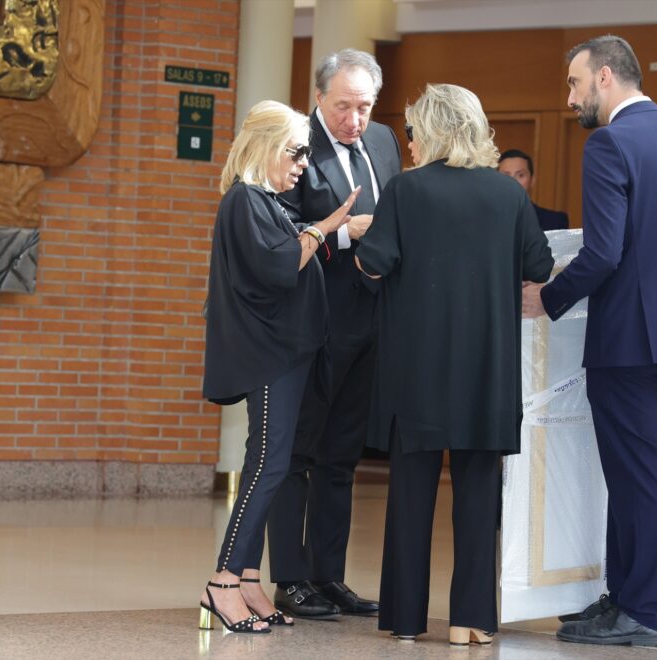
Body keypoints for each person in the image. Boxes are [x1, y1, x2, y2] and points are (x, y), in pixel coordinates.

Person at [521, 36, 657, 647]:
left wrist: (549, 300)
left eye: (574, 83)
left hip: (626, 337)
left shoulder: (609, 142)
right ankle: (623, 598)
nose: (571, 98)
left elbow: (603, 253)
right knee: (637, 469)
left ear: (607, 78)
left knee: (638, 473)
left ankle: (641, 612)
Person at [355, 83, 554, 645]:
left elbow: (375, 265)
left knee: (412, 494)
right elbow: (537, 265)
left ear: (434, 130)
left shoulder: (405, 190)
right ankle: (472, 620)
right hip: (486, 369)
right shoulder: (508, 195)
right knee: (476, 495)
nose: (410, 143)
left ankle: (406, 619)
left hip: (416, 368)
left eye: (414, 131)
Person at [199, 100, 360, 634]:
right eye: (295, 153)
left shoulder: (266, 202)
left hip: (289, 354)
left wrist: (321, 232)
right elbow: (277, 265)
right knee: (268, 465)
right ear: (265, 147)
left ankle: (248, 578)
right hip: (271, 355)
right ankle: (222, 581)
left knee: (276, 462)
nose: (301, 166)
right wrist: (328, 225)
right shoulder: (244, 200)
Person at [266, 48, 402, 620]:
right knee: (297, 453)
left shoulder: (387, 142)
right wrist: (344, 234)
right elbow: (277, 229)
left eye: (364, 107)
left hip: (373, 320)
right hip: (314, 323)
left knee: (342, 456)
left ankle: (329, 577)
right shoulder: (295, 144)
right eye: (343, 106)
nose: (354, 120)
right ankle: (290, 579)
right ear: (318, 97)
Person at [498, 149, 570, 230]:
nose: (513, 182)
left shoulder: (555, 221)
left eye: (520, 175)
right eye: (506, 176)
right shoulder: (484, 220)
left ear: (532, 180)